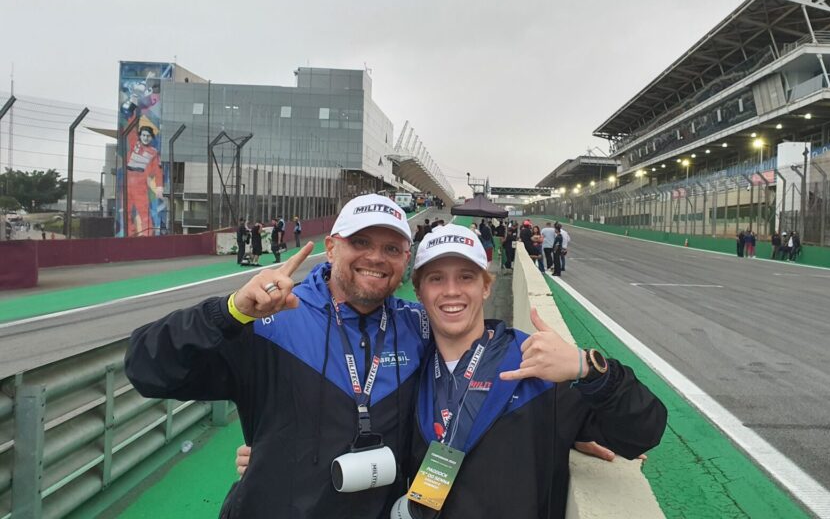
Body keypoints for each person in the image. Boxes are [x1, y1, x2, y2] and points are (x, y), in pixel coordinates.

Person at [240, 224, 667, 518]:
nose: (451, 292)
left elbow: (640, 432)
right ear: (420, 290)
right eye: (436, 279)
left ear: (486, 286)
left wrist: (587, 371)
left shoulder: (536, 364)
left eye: (465, 277)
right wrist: (275, 453)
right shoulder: (407, 369)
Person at [125, 195, 430, 518]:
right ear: (331, 247)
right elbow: (146, 367)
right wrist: (228, 312)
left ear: (405, 259)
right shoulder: (269, 317)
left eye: (392, 249)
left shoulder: (418, 326)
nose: (376, 257)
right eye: (361, 242)